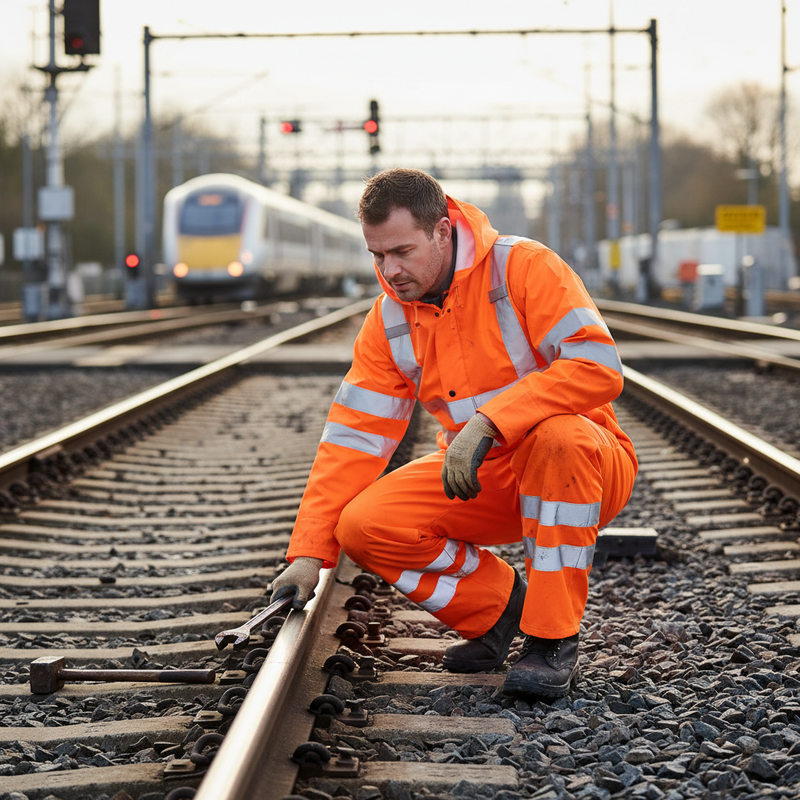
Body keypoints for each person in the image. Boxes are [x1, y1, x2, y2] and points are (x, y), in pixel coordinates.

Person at [271, 168, 637, 698]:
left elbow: (596, 366)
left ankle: (552, 639)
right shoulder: (390, 320)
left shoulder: (524, 266)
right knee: (365, 524)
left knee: (559, 437)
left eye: (402, 251)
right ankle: (496, 610)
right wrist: (308, 552)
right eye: (377, 256)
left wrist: (492, 420)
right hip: (481, 478)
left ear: (443, 231)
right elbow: (352, 439)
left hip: (583, 468)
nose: (389, 270)